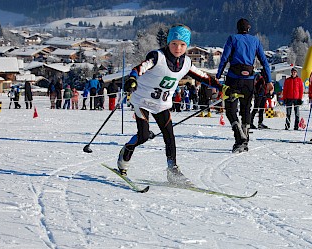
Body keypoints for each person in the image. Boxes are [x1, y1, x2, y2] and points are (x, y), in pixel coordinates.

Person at [117, 24, 226, 185]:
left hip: (162, 104)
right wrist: (132, 79)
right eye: (174, 43)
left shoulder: (187, 63)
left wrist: (223, 87)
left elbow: (204, 77)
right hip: (142, 101)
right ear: (168, 43)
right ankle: (125, 153)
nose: (178, 48)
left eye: (182, 45)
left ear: (187, 46)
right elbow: (139, 68)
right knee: (143, 136)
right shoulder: (157, 56)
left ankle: (172, 170)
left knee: (170, 137)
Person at [216, 18, 273, 153]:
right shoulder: (255, 41)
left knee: (230, 109)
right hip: (249, 80)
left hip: (233, 78)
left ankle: (239, 136)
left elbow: (224, 58)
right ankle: (245, 139)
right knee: (246, 108)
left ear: (237, 28)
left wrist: (218, 76)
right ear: (249, 28)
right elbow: (264, 62)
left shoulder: (232, 38)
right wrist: (269, 80)